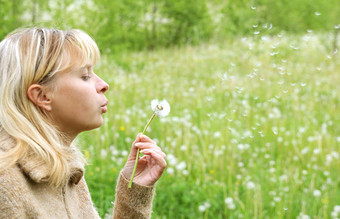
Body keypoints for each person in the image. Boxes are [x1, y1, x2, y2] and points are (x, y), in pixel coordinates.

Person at [0, 27, 167, 218]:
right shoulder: (5, 182)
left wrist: (134, 194)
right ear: (43, 96)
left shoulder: (63, 169)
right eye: (85, 76)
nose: (104, 84)